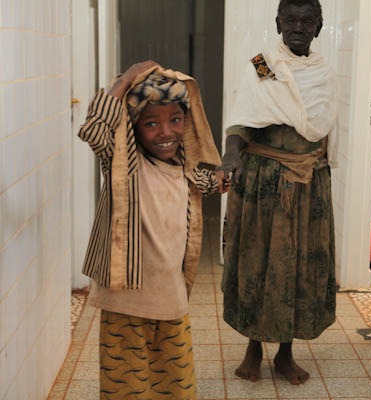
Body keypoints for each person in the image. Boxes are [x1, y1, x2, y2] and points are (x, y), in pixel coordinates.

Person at [78, 60, 227, 399]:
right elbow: (94, 130)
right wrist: (127, 79)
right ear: (134, 126)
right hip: (125, 302)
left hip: (170, 299)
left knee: (175, 384)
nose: (165, 132)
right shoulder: (126, 164)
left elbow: (209, 181)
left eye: (175, 120)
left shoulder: (185, 167)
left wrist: (222, 180)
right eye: (151, 123)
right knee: (126, 387)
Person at [221, 0, 338, 385]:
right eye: (290, 20)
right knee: (258, 263)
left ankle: (286, 353)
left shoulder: (324, 73)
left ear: (318, 27)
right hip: (264, 185)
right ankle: (253, 347)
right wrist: (231, 153)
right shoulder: (262, 65)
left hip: (309, 187)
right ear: (278, 23)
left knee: (298, 267)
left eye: (307, 21)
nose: (298, 27)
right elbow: (242, 119)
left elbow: (324, 130)